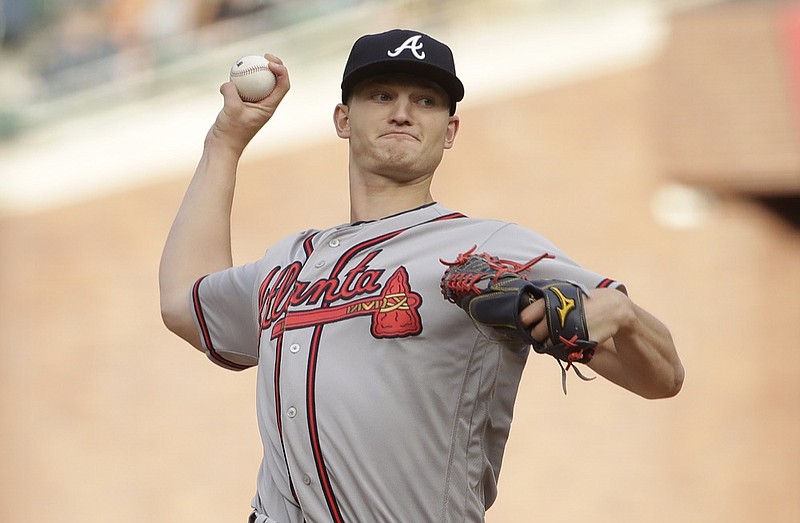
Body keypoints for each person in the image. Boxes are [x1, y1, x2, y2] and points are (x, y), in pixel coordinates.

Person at [159, 29, 684, 523]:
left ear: (449, 130)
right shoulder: (288, 261)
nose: (404, 113)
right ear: (343, 119)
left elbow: (663, 379)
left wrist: (624, 316)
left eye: (426, 101)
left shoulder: (487, 245)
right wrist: (225, 141)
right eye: (382, 95)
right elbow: (184, 304)